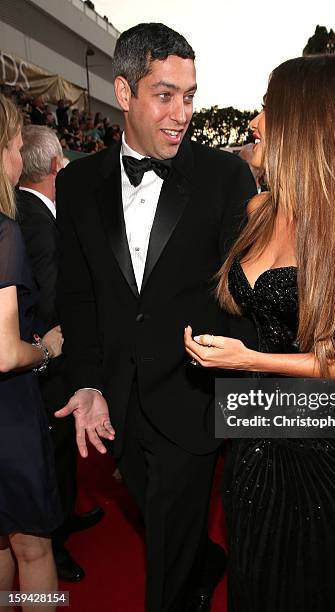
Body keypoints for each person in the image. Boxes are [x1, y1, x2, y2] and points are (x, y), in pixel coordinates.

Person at [54, 23, 256, 612]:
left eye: (189, 96)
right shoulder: (78, 182)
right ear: (123, 92)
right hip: (117, 402)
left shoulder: (225, 178)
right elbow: (79, 296)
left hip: (191, 397)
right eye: (165, 95)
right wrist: (88, 382)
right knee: (171, 527)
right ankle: (203, 559)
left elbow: (242, 295)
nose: (182, 112)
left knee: (165, 558)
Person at [184, 53, 335, 611]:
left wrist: (247, 361)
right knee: (253, 572)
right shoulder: (259, 207)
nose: (255, 122)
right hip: (255, 430)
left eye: (267, 108)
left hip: (325, 441)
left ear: (306, 119)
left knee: (307, 584)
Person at [16, 125, 104, 583]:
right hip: (42, 362)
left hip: (40, 362)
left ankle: (63, 521)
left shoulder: (32, 213)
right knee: (51, 458)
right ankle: (55, 538)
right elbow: (49, 299)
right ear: (55, 165)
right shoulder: (31, 221)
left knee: (61, 455)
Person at [0, 94, 63, 610]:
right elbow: (5, 353)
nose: (21, 159)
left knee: (0, 538)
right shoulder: (5, 231)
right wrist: (44, 350)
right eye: (17, 146)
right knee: (34, 546)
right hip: (11, 414)